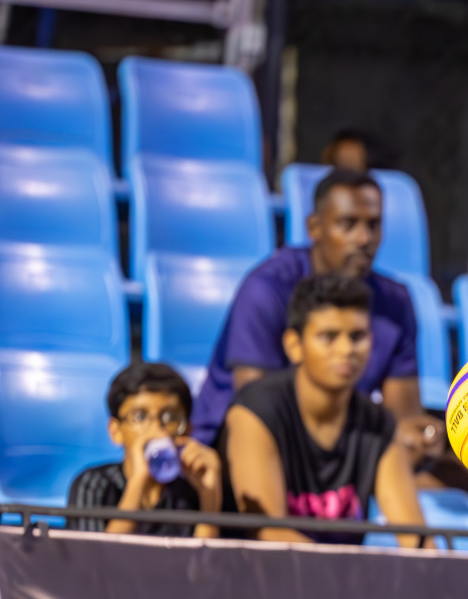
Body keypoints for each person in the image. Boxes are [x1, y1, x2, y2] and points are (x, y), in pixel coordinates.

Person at [190, 169, 439, 460]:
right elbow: (256, 411)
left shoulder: (395, 302)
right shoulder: (266, 289)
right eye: (348, 224)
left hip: (338, 451)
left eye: (373, 225)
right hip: (235, 452)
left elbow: (403, 419)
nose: (363, 238)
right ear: (314, 228)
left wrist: (420, 440)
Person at [223, 275, 424, 546]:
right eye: (328, 337)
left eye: (357, 337)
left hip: (344, 582)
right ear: (294, 345)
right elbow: (268, 533)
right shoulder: (255, 411)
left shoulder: (379, 424)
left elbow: (416, 538)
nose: (346, 350)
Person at [68, 363, 222, 539]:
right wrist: (139, 479)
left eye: (170, 417)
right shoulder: (92, 484)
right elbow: (91, 560)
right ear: (116, 431)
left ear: (187, 430)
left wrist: (210, 500)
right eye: (140, 416)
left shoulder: (191, 494)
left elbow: (203, 564)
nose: (156, 429)